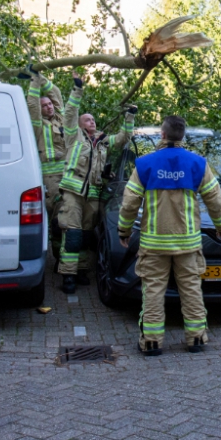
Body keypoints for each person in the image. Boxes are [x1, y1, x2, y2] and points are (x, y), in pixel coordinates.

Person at [116, 115, 221, 355]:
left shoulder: (145, 164)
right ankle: (196, 338)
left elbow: (129, 204)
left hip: (154, 245)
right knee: (190, 290)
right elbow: (215, 201)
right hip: (187, 244)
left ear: (163, 134)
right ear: (182, 136)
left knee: (154, 291)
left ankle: (152, 342)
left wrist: (123, 231)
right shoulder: (197, 163)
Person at [58, 72, 136, 294]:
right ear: (80, 124)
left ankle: (81, 270)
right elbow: (71, 112)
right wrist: (77, 88)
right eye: (88, 119)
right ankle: (68, 275)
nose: (92, 121)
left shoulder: (102, 141)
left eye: (93, 119)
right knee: (72, 234)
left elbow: (123, 139)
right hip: (73, 191)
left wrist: (129, 117)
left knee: (85, 234)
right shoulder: (74, 136)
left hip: (93, 193)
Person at [22, 66, 66, 258]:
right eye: (45, 105)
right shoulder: (37, 125)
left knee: (66, 219)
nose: (49, 107)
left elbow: (55, 94)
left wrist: (39, 76)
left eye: (50, 105)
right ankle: (58, 256)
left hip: (66, 177)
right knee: (57, 220)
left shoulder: (60, 120)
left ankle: (63, 257)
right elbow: (32, 104)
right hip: (49, 179)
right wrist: (33, 82)